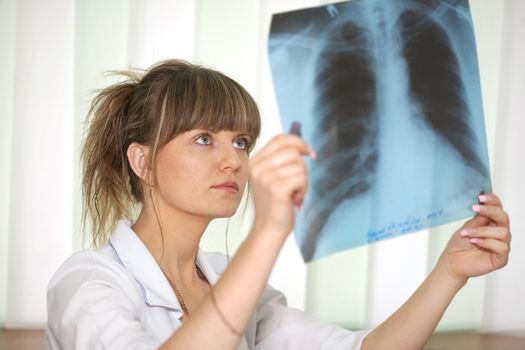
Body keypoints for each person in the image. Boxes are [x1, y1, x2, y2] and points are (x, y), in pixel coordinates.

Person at [46, 59, 511, 350]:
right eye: (204, 139)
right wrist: (267, 231)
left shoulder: (229, 277)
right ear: (142, 161)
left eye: (242, 141)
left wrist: (450, 272)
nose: (233, 161)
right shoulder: (89, 284)